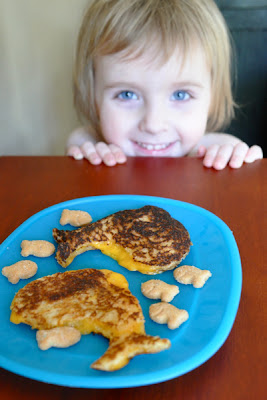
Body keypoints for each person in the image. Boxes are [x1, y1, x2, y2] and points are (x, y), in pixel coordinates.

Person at [66, 0, 263, 170]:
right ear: (93, 96)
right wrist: (85, 148)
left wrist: (233, 156)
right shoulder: (97, 144)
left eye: (180, 95)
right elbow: (80, 140)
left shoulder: (213, 152)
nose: (153, 125)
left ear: (212, 98)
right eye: (127, 94)